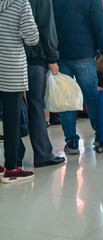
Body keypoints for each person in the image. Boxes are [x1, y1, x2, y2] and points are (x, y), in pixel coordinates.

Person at [52, 0, 103, 154]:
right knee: (91, 95)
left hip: (60, 54)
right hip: (84, 54)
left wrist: (50, 55)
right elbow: (100, 25)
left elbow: (49, 23)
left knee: (65, 99)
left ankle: (72, 141)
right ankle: (100, 135)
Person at [19, 0, 66, 168]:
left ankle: (16, 154)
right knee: (36, 104)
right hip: (34, 56)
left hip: (10, 56)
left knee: (13, 105)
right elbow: (46, 27)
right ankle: (43, 154)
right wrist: (52, 58)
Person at [0, 0, 39, 183]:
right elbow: (32, 38)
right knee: (11, 121)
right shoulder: (21, 3)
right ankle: (11, 169)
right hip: (11, 70)